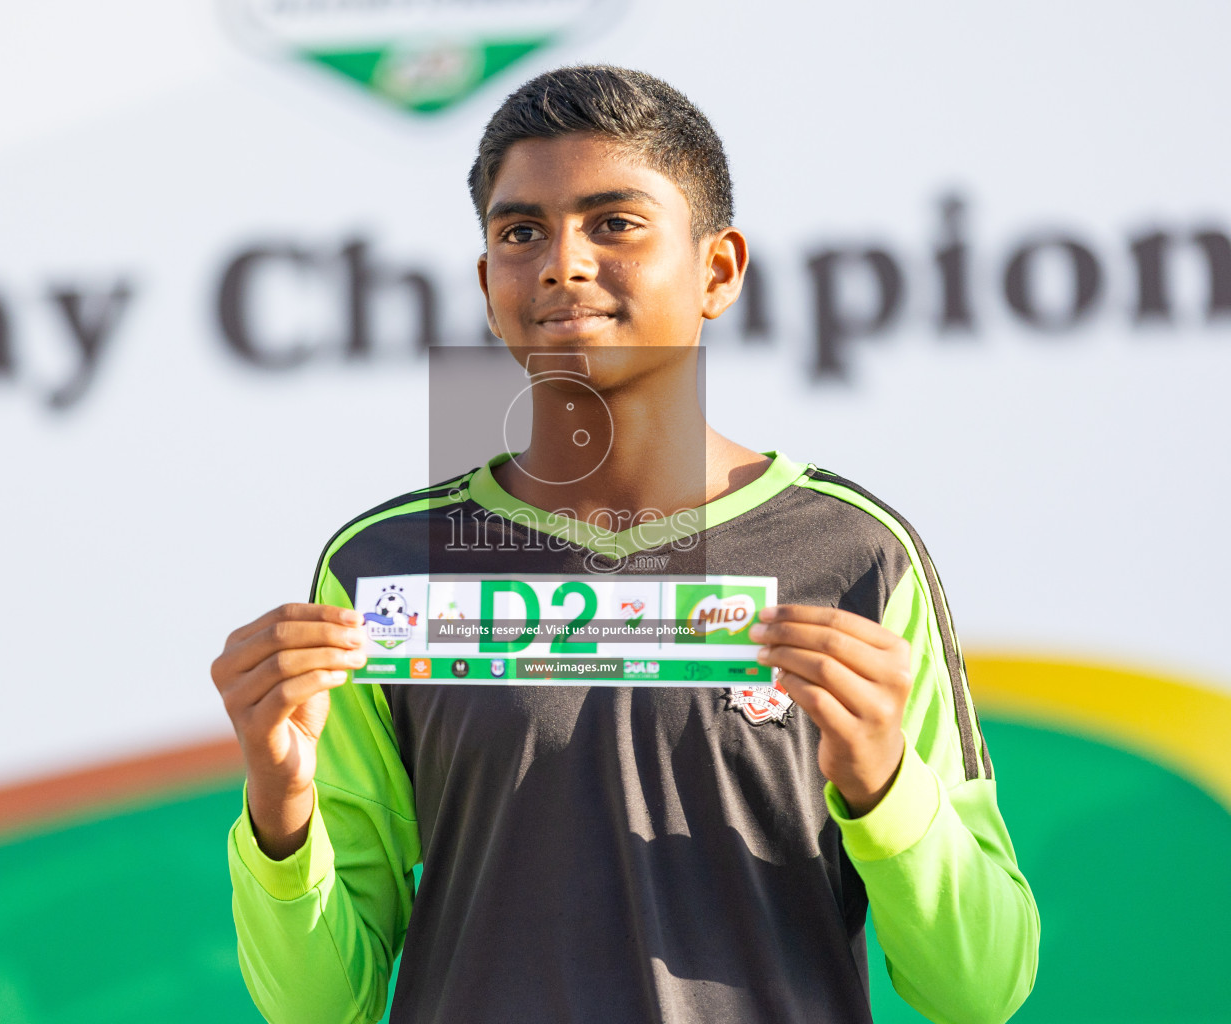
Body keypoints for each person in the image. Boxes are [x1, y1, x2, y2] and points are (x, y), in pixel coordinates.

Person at [212, 65, 1039, 1024]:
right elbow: (320, 1009)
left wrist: (885, 781)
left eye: (615, 222)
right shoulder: (385, 569)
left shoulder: (854, 553)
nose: (562, 262)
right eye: (521, 232)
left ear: (718, 271)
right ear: (489, 285)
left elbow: (980, 989)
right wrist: (279, 806)